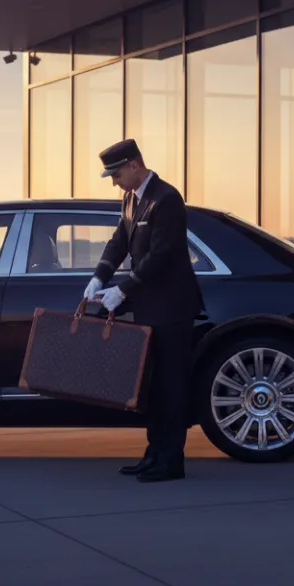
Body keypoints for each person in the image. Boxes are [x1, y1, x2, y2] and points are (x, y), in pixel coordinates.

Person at [85, 139, 203, 483]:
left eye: (117, 173)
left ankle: (171, 460)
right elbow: (119, 241)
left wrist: (123, 289)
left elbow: (162, 254)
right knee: (152, 385)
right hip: (150, 305)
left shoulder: (166, 199)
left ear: (135, 164)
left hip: (173, 305)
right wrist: (100, 276)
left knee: (171, 384)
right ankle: (153, 454)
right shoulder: (131, 198)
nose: (114, 181)